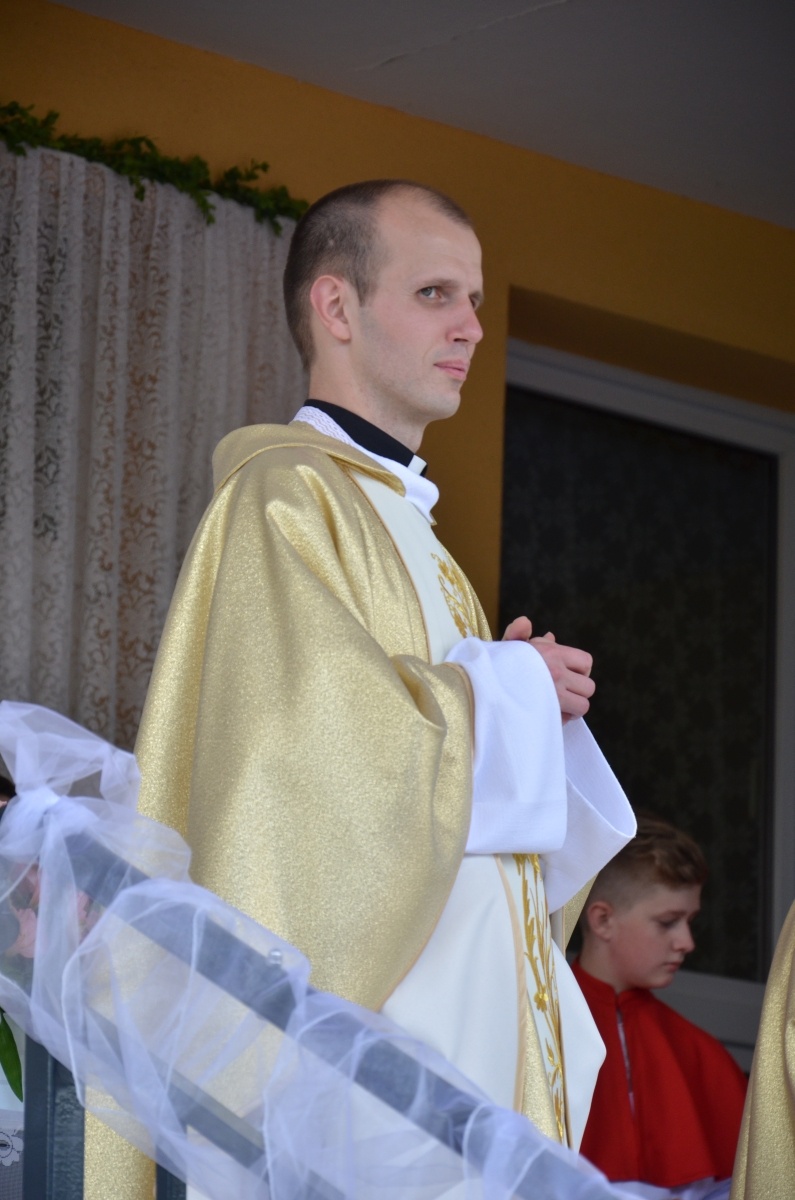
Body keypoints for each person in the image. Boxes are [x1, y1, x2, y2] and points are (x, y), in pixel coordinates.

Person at [135, 179, 635, 1152]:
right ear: (337, 306)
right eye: (434, 293)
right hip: (368, 1083)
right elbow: (302, 773)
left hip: (457, 1049)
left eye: (475, 300)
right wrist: (504, 692)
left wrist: (527, 706)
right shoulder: (285, 496)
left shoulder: (411, 529)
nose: (472, 327)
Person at [573, 815, 747, 1199]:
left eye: (690, 921)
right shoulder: (539, 1030)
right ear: (603, 920)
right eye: (668, 922)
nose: (687, 942)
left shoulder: (701, 1054)